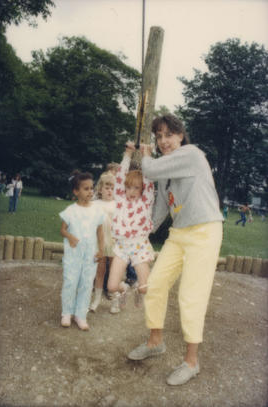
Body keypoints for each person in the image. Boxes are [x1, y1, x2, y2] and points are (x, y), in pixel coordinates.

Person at [127, 114, 223, 386]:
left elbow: (149, 169)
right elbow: (159, 210)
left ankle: (192, 362)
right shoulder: (165, 172)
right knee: (154, 285)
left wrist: (145, 155)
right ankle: (155, 341)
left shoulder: (191, 154)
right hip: (179, 233)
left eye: (168, 135)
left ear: (181, 135)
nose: (163, 141)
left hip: (205, 231)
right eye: (158, 137)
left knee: (191, 296)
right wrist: (138, 232)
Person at [107, 142, 155, 314]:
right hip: (121, 247)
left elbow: (149, 180)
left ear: (142, 189)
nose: (131, 191)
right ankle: (124, 289)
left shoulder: (146, 202)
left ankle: (138, 291)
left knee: (145, 288)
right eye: (128, 187)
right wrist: (128, 154)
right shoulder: (120, 199)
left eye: (136, 187)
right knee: (112, 286)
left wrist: (146, 155)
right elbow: (120, 177)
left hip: (139, 246)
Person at [59, 170, 105, 331]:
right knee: (71, 281)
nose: (90, 192)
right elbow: (63, 230)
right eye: (86, 189)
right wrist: (70, 237)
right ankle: (66, 312)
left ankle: (80, 314)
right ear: (76, 191)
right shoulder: (71, 210)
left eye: (91, 188)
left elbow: (100, 231)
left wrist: (101, 249)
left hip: (90, 254)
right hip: (74, 254)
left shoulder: (97, 211)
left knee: (86, 283)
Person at [90, 172, 116, 312]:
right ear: (100, 189)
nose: (109, 191)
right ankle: (96, 299)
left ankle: (115, 300)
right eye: (107, 188)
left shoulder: (117, 205)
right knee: (99, 271)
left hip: (113, 243)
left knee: (113, 272)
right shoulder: (95, 204)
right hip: (100, 242)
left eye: (112, 188)